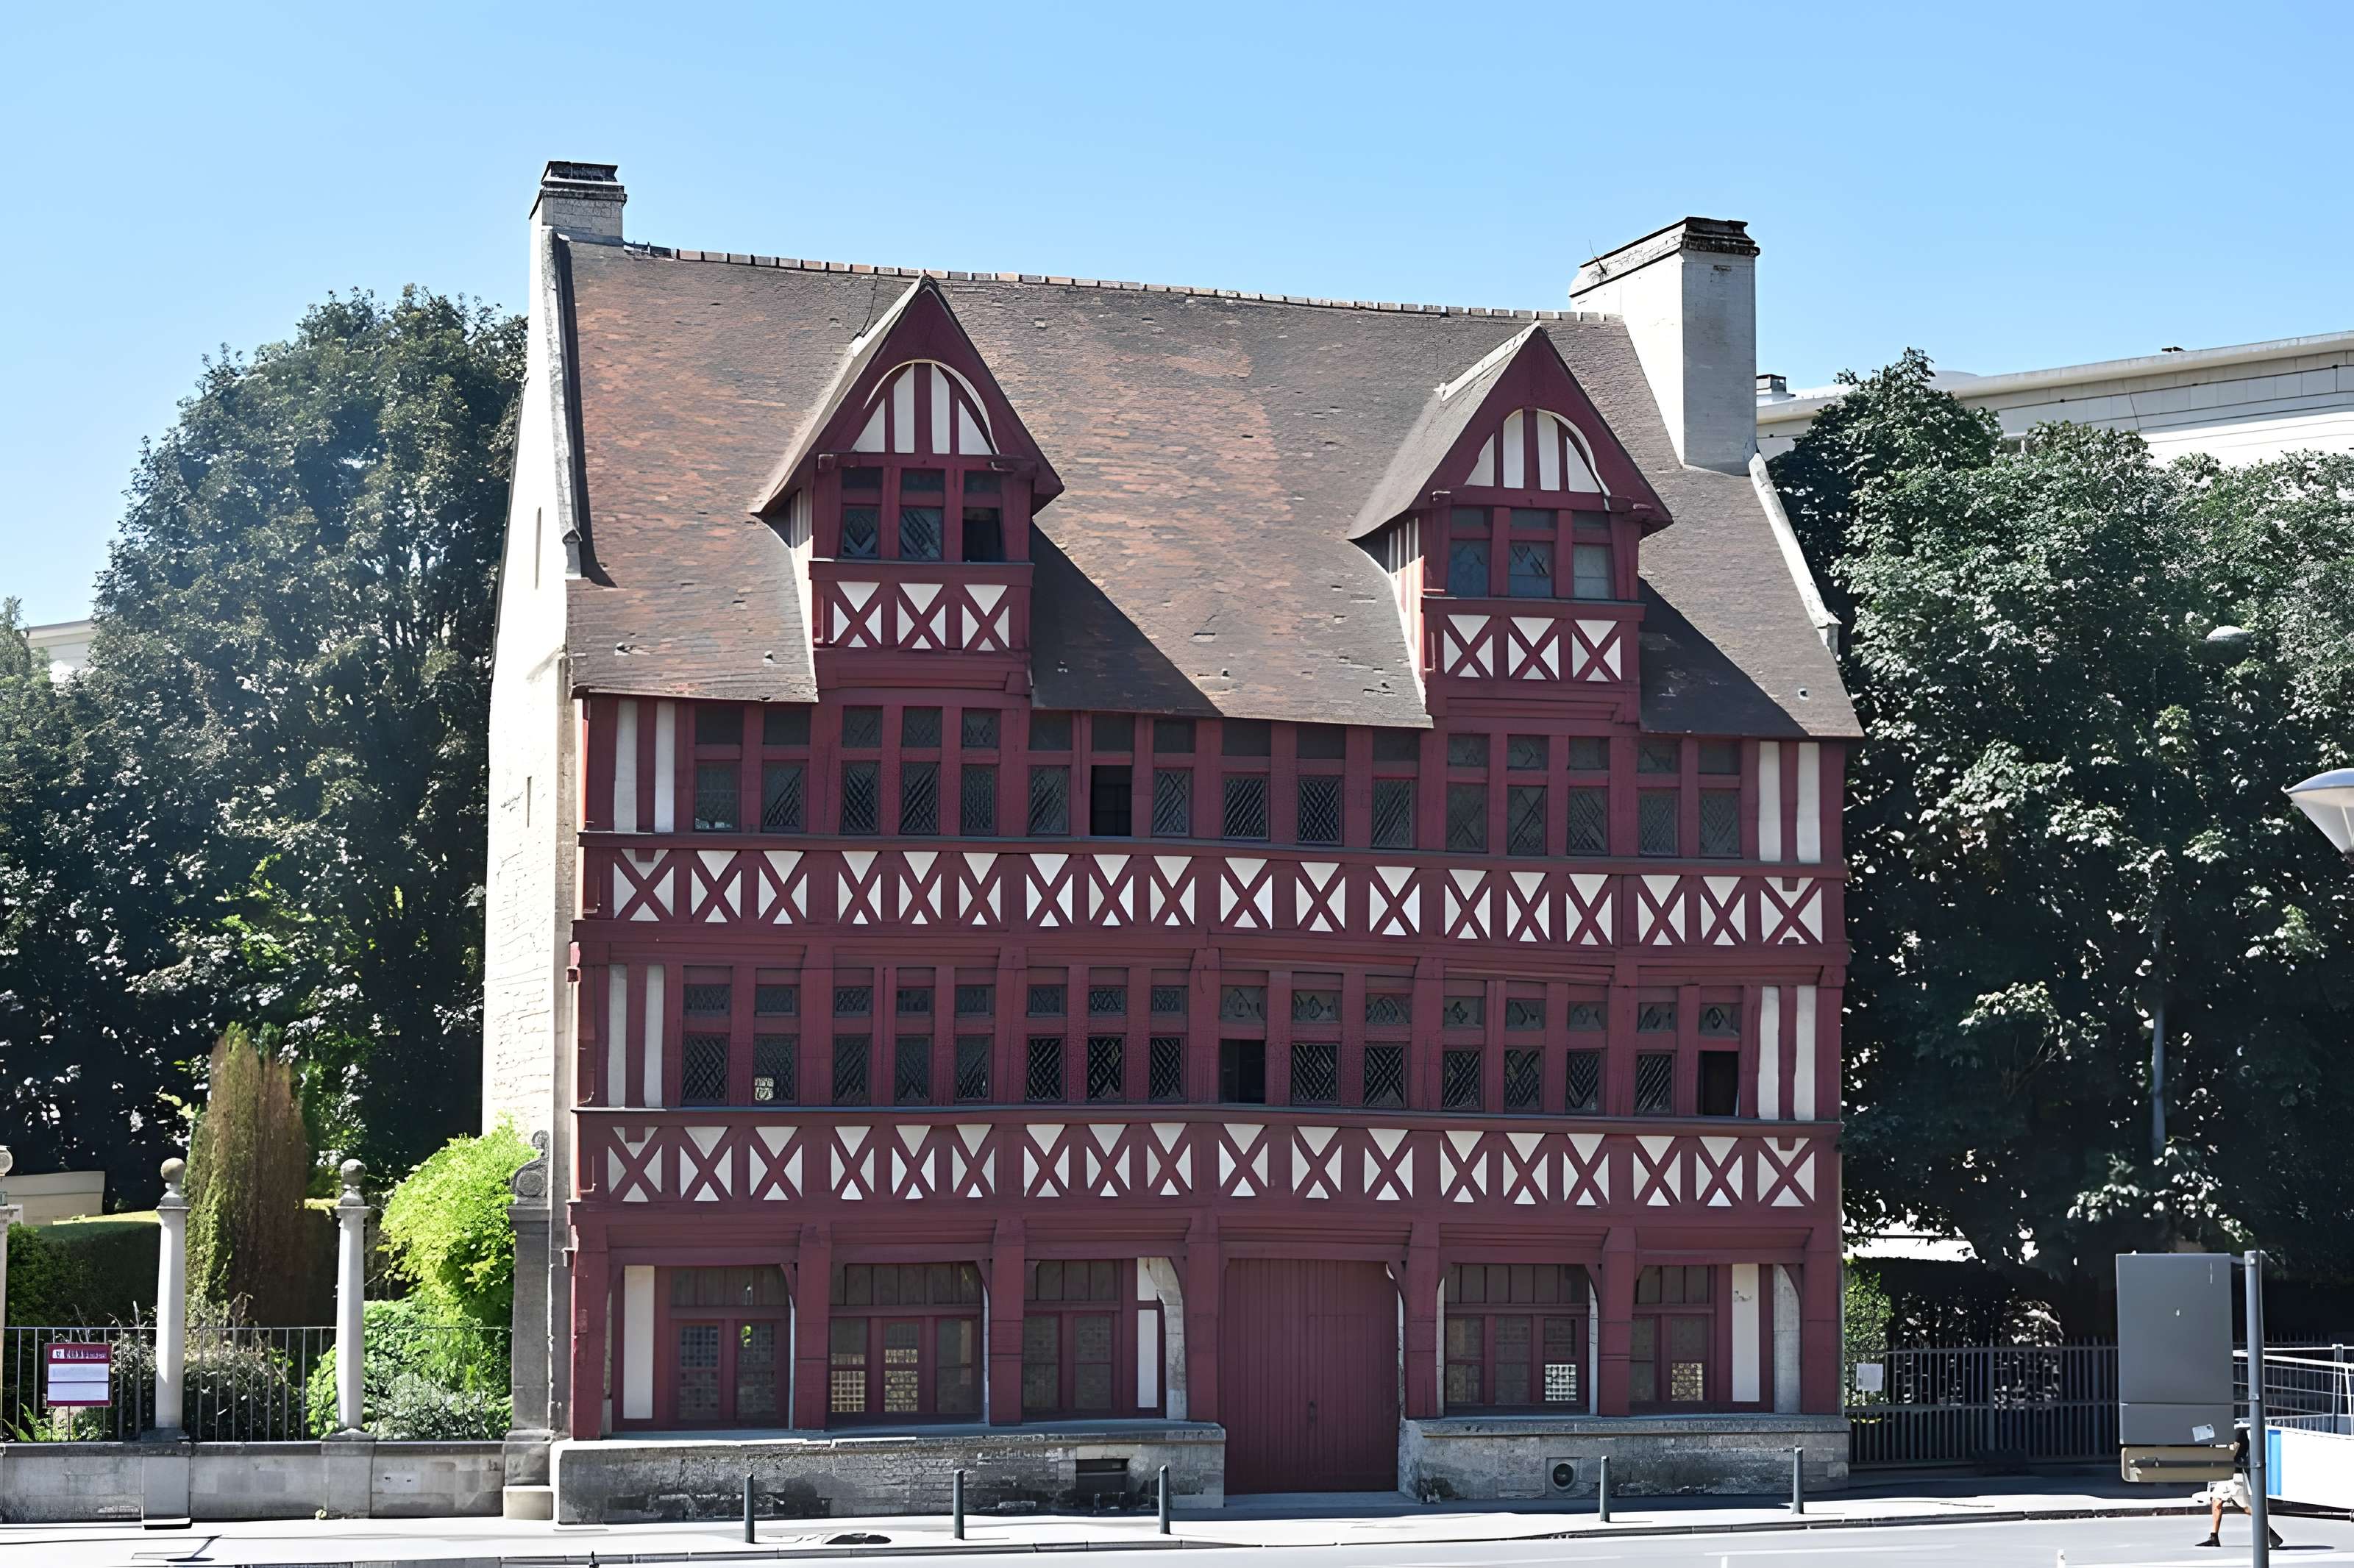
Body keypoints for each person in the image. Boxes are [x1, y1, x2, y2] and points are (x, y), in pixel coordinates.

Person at [2196, 1428, 2283, 1550]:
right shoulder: (2224, 1433)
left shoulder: (2238, 1433)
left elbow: (2232, 1452)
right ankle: (2213, 1536)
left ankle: (2269, 1533)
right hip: (2226, 1475)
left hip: (2234, 1477)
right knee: (2217, 1501)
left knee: (2248, 1509)